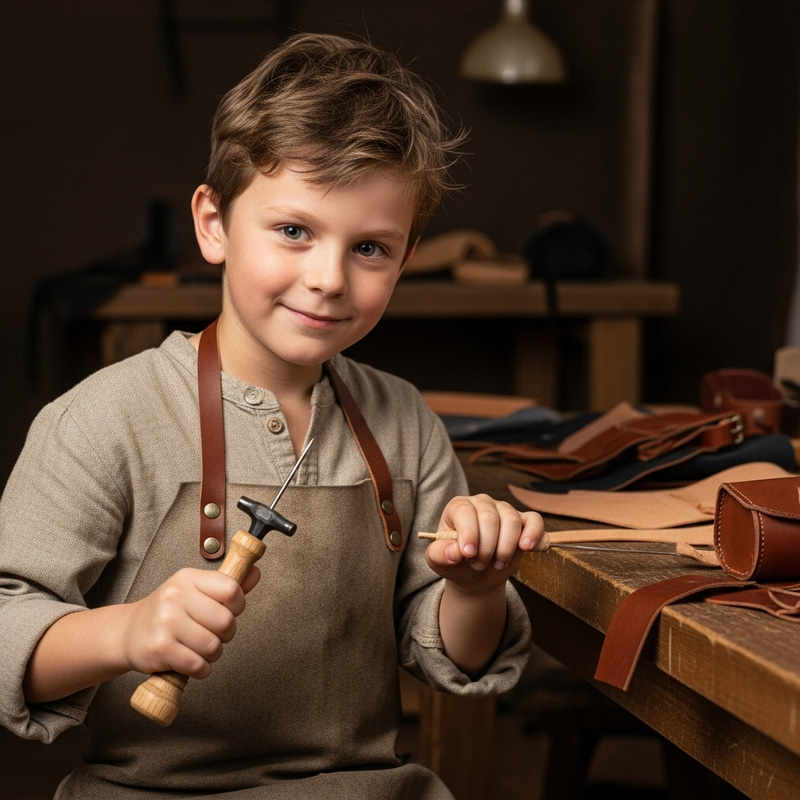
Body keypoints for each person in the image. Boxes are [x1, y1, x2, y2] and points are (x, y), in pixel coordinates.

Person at [0, 32, 544, 799]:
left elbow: (455, 652)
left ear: (408, 255)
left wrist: (479, 591)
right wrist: (123, 632)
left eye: (371, 249)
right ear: (214, 223)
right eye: (294, 231)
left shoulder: (403, 423)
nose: (327, 279)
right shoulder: (102, 420)